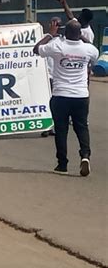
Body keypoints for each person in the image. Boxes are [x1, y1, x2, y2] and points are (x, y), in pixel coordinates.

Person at [34, 19, 99, 176]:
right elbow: (93, 51)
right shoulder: (88, 49)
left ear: (65, 33)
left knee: (61, 130)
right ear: (80, 34)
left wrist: (51, 33)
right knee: (82, 127)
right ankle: (85, 155)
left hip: (61, 95)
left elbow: (36, 49)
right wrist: (81, 37)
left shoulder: (57, 46)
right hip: (81, 96)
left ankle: (62, 164)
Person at [41, 16, 63, 138]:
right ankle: (46, 127)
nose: (56, 27)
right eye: (54, 24)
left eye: (58, 25)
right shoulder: (43, 37)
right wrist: (50, 35)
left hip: (57, 78)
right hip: (44, 76)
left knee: (55, 105)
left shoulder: (62, 41)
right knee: (45, 103)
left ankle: (53, 126)